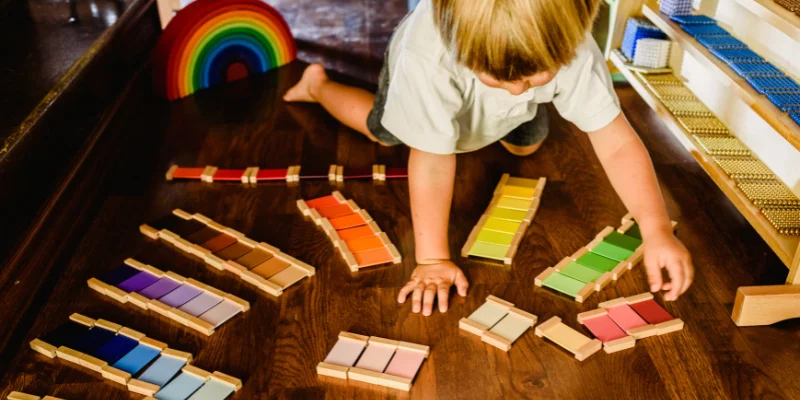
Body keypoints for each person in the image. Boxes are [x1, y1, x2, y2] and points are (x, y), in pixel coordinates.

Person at [284, 0, 694, 316]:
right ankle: (318, 86)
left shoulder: (573, 45)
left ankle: (500, 115)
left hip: (494, 100)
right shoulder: (426, 57)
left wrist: (655, 226)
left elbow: (617, 141)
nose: (517, 91)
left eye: (535, 77)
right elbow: (430, 161)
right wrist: (432, 259)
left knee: (526, 144)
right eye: (499, 78)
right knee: (385, 133)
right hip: (428, 84)